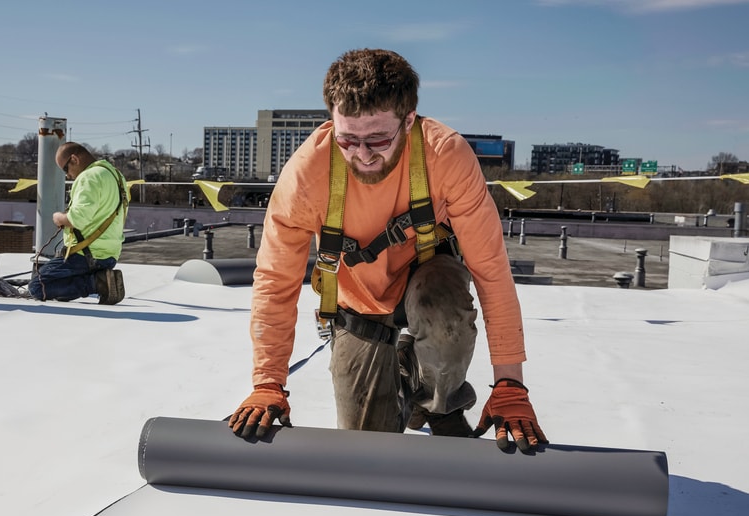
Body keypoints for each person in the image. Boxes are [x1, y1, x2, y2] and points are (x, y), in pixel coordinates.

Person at [229, 48, 547, 453]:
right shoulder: (306, 176)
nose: (362, 155)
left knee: (443, 308)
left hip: (428, 280)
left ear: (409, 120)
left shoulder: (445, 156)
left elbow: (491, 271)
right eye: (348, 139)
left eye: (378, 139)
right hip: (357, 304)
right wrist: (267, 383)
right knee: (367, 451)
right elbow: (276, 281)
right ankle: (407, 379)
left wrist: (510, 385)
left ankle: (438, 401)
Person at [28, 142, 128, 305]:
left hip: (85, 256)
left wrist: (59, 217)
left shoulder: (89, 177)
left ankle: (97, 283)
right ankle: (101, 279)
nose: (67, 175)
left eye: (65, 169)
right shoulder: (116, 175)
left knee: (38, 286)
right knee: (60, 292)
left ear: (74, 159)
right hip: (110, 256)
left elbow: (78, 220)